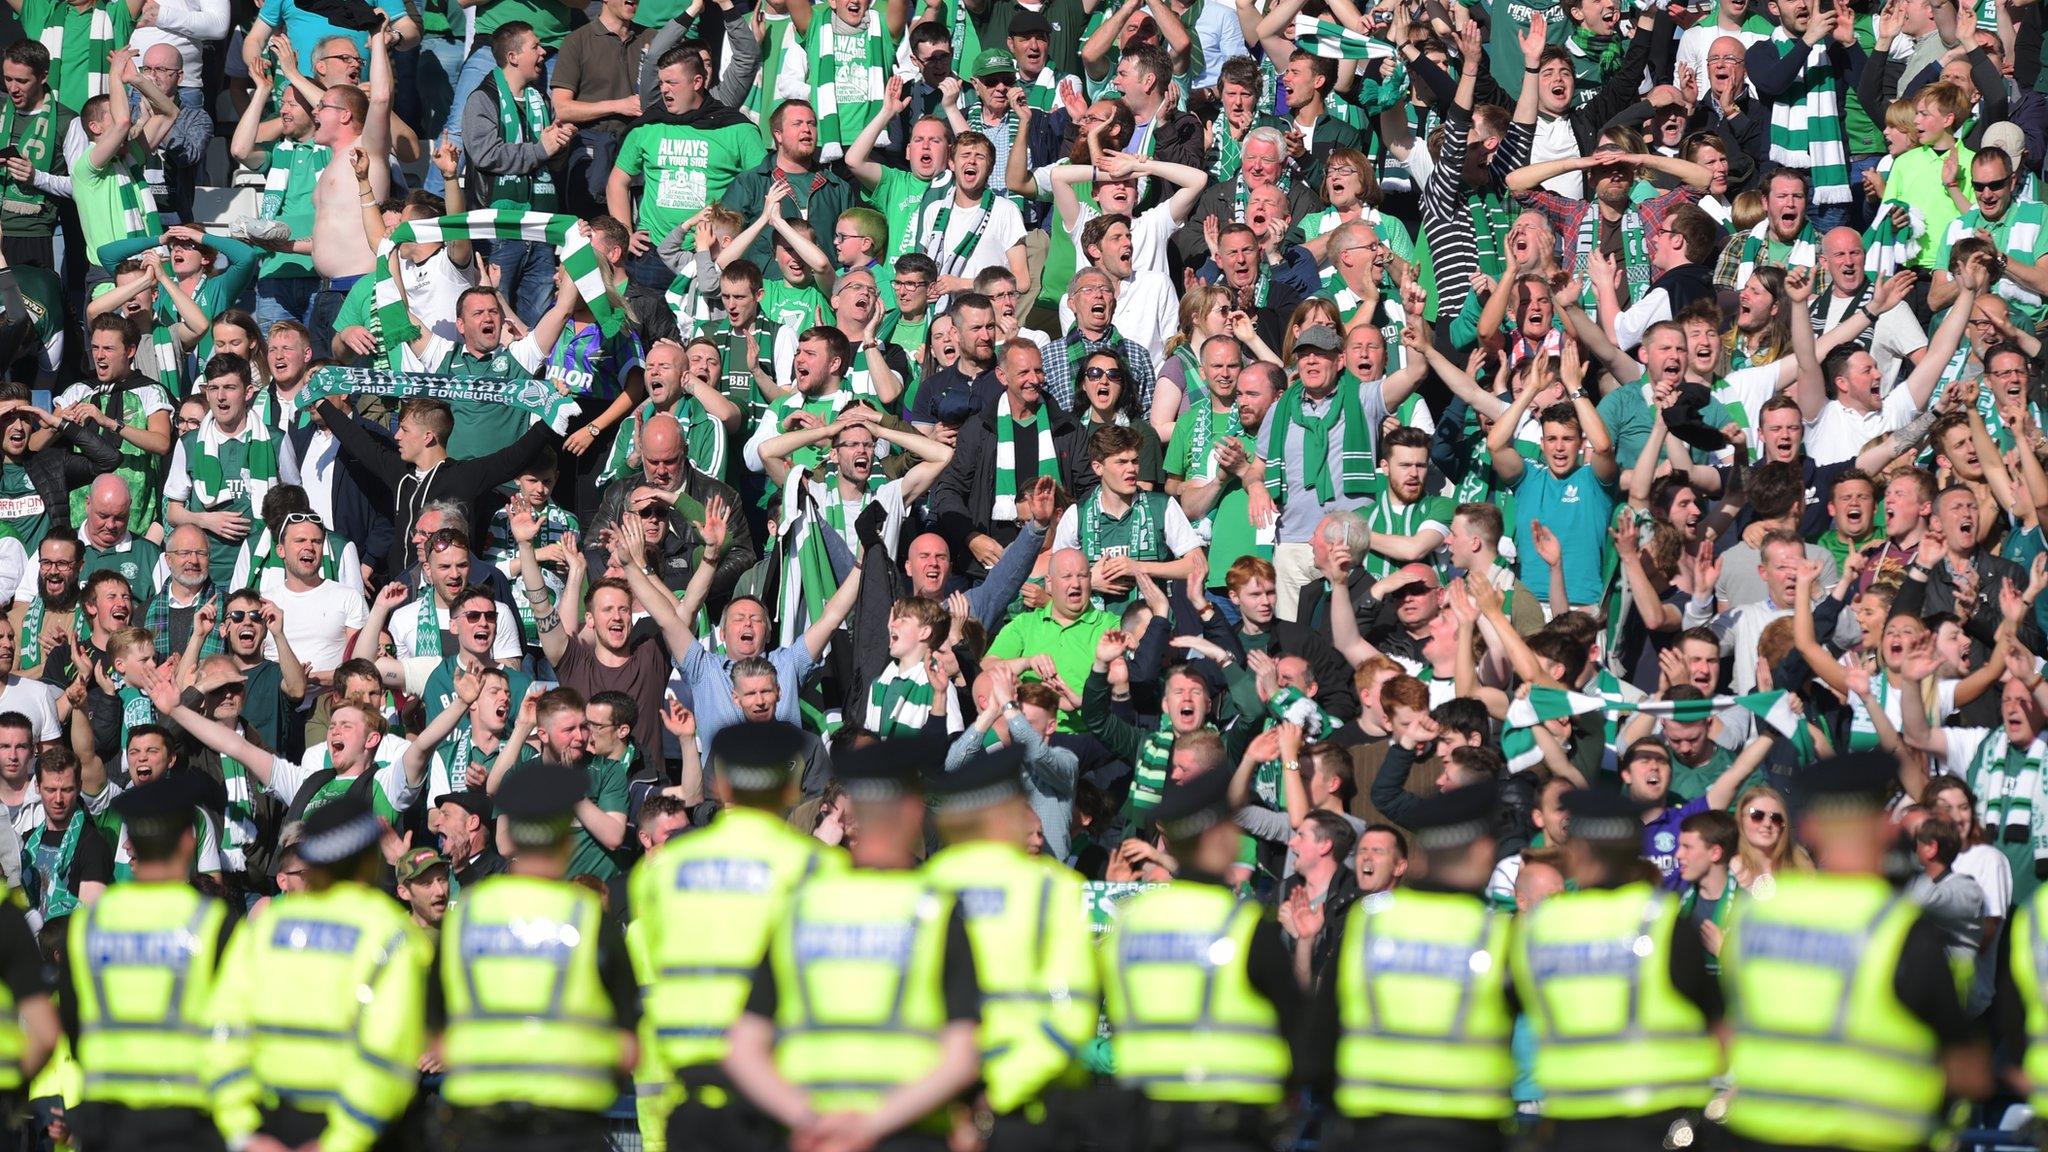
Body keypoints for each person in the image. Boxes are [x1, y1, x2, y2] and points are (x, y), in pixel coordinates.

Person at [1722, 752, 1992, 1150]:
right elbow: (1970, 1072)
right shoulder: (1897, 926)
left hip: (1758, 1133)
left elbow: (1725, 1031)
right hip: (1870, 1136)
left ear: (1809, 830)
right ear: (1886, 829)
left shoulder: (1752, 917)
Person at [721, 740, 982, 1149]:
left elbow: (741, 1048)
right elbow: (963, 1056)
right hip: (908, 1133)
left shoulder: (798, 908)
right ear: (914, 812)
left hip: (813, 1136)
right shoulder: (936, 912)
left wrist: (809, 1119)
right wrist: (869, 1126)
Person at [628, 722, 842, 1152]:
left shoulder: (662, 872)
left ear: (721, 784)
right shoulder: (818, 869)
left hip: (683, 1087)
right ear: (789, 787)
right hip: (776, 1088)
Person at [430, 759, 638, 1150]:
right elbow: (627, 1045)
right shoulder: (589, 919)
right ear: (565, 838)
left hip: (479, 1117)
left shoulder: (465, 918)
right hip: (567, 1120)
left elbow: (434, 1033)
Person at [204, 796, 431, 1152]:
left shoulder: (266, 927)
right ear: (369, 860)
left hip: (269, 1128)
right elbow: (388, 1054)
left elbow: (223, 1029)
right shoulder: (390, 932)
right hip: (359, 1132)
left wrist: (243, 1131)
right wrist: (342, 1142)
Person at [1102, 765, 1306, 1151]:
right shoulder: (1241, 925)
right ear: (1218, 836)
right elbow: (1298, 1029)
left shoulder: (1127, 926)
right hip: (1226, 1129)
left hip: (1142, 1125)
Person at [1510, 788, 1724, 1149]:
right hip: (1662, 1123)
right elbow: (1720, 1023)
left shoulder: (1537, 930)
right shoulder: (1664, 921)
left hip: (1572, 1121)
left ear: (1576, 852)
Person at [1305, 782, 1510, 1152]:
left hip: (1370, 1127)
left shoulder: (1365, 926)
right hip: (1465, 1131)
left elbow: (1320, 1035)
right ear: (1482, 851)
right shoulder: (1494, 934)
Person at [922, 747, 1097, 1144]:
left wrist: (955, 1099)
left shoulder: (926, 884)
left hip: (938, 1107)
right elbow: (1072, 1012)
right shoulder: (1054, 888)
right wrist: (995, 1098)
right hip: (1028, 1110)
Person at [57, 772, 230, 1152]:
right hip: (188, 1120)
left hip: (106, 1118)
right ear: (189, 842)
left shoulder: (87, 925)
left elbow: (72, 1020)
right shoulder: (215, 923)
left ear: (131, 846)